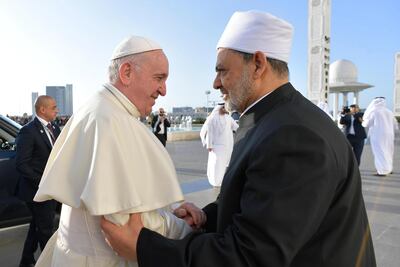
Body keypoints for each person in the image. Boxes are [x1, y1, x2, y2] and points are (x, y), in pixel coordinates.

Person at [101, 11, 376, 266]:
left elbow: (250, 256)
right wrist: (207, 216)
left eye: (222, 70)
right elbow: (257, 199)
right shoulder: (276, 118)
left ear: (258, 64)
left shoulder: (294, 136)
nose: (215, 83)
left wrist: (144, 247)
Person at [33, 36, 192, 267]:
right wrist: (185, 227)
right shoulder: (110, 121)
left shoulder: (98, 109)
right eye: (159, 78)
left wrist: (172, 209)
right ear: (126, 72)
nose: (164, 90)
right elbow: (128, 225)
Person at [16, 96, 60, 267]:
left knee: (37, 226)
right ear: (43, 109)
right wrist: (43, 184)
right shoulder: (28, 131)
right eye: (54, 107)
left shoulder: (54, 128)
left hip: (50, 188)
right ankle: (50, 263)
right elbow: (22, 164)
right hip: (37, 190)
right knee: (45, 230)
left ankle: (26, 261)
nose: (57, 110)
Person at [200, 103, 238, 186]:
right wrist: (209, 145)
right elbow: (210, 133)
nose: (225, 109)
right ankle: (215, 181)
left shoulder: (228, 118)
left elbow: (236, 127)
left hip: (227, 145)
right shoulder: (212, 118)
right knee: (216, 163)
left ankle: (221, 180)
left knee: (224, 163)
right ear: (219, 108)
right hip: (216, 146)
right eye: (223, 108)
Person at [362, 97, 399, 176]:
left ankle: (382, 171)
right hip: (389, 135)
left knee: (379, 152)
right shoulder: (389, 112)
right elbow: (395, 125)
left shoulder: (374, 112)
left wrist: (363, 122)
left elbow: (367, 124)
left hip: (378, 135)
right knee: (388, 151)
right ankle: (388, 169)